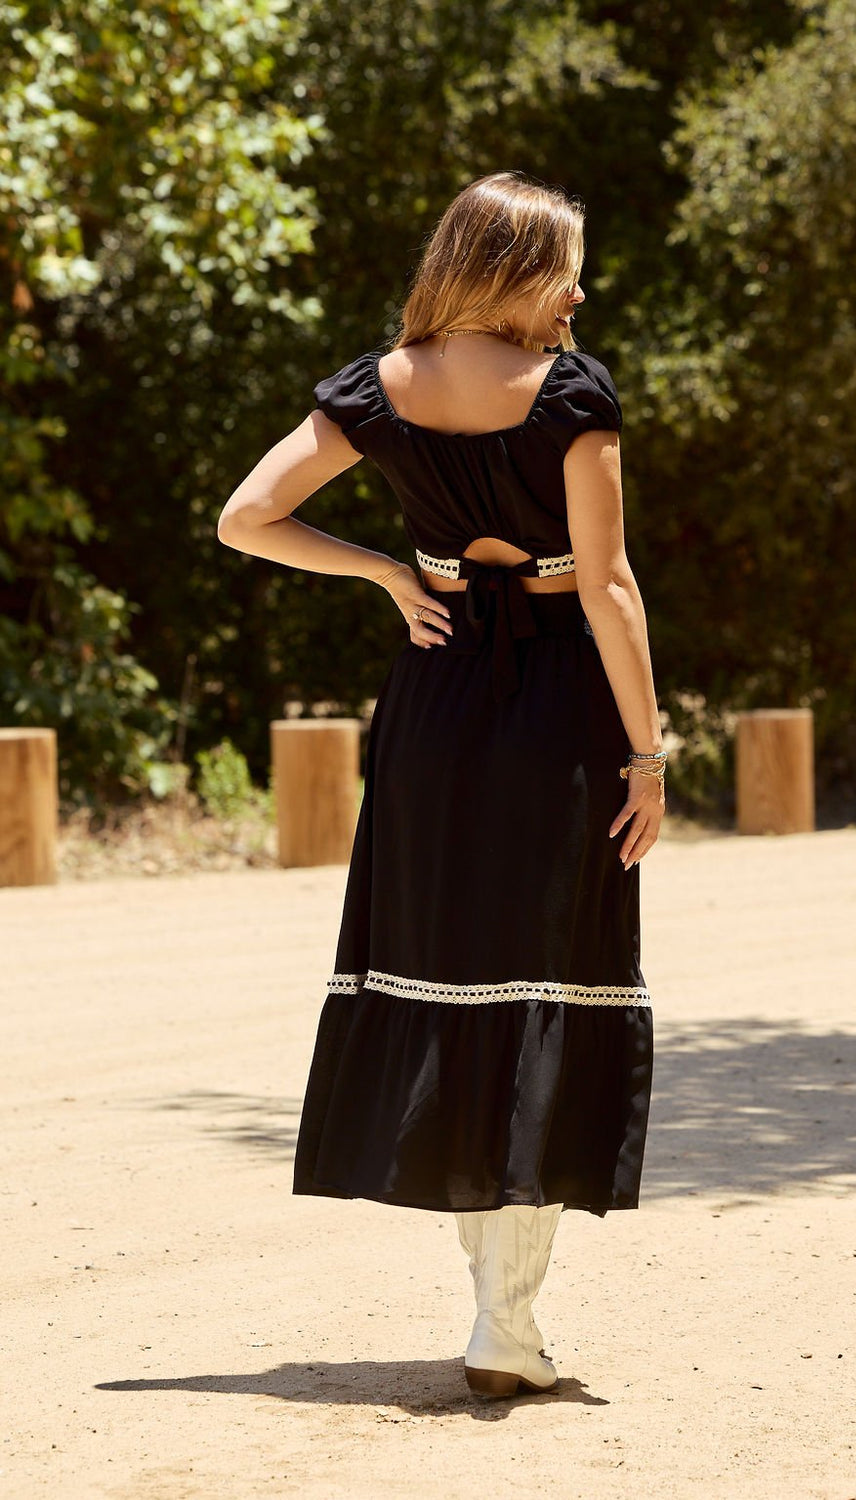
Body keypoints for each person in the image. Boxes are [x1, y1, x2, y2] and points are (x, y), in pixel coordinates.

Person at [217, 170, 664, 1399]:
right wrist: (649, 752)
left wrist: (382, 574)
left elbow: (245, 519)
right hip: (560, 705)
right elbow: (610, 590)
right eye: (568, 265)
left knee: (455, 982)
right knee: (547, 988)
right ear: (515, 269)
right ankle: (502, 1323)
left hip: (434, 706)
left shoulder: (379, 386)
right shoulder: (572, 394)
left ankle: (495, 1316)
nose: (581, 291)